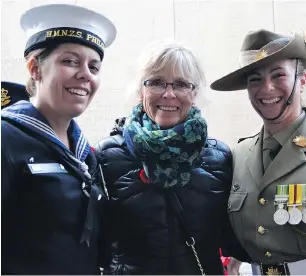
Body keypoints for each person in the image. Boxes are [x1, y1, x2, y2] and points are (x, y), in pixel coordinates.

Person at [95, 40, 250, 275]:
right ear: (141, 91)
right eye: (156, 82)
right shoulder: (106, 156)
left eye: (180, 84)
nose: (169, 94)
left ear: (194, 93)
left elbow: (234, 237)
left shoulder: (220, 157)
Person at [210, 29, 306, 275]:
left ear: (303, 81)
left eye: (278, 75)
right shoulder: (239, 155)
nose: (267, 88)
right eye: (255, 79)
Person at [1, 4, 116, 274]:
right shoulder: (7, 138)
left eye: (94, 67)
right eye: (70, 61)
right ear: (34, 68)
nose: (86, 74)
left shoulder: (84, 154)